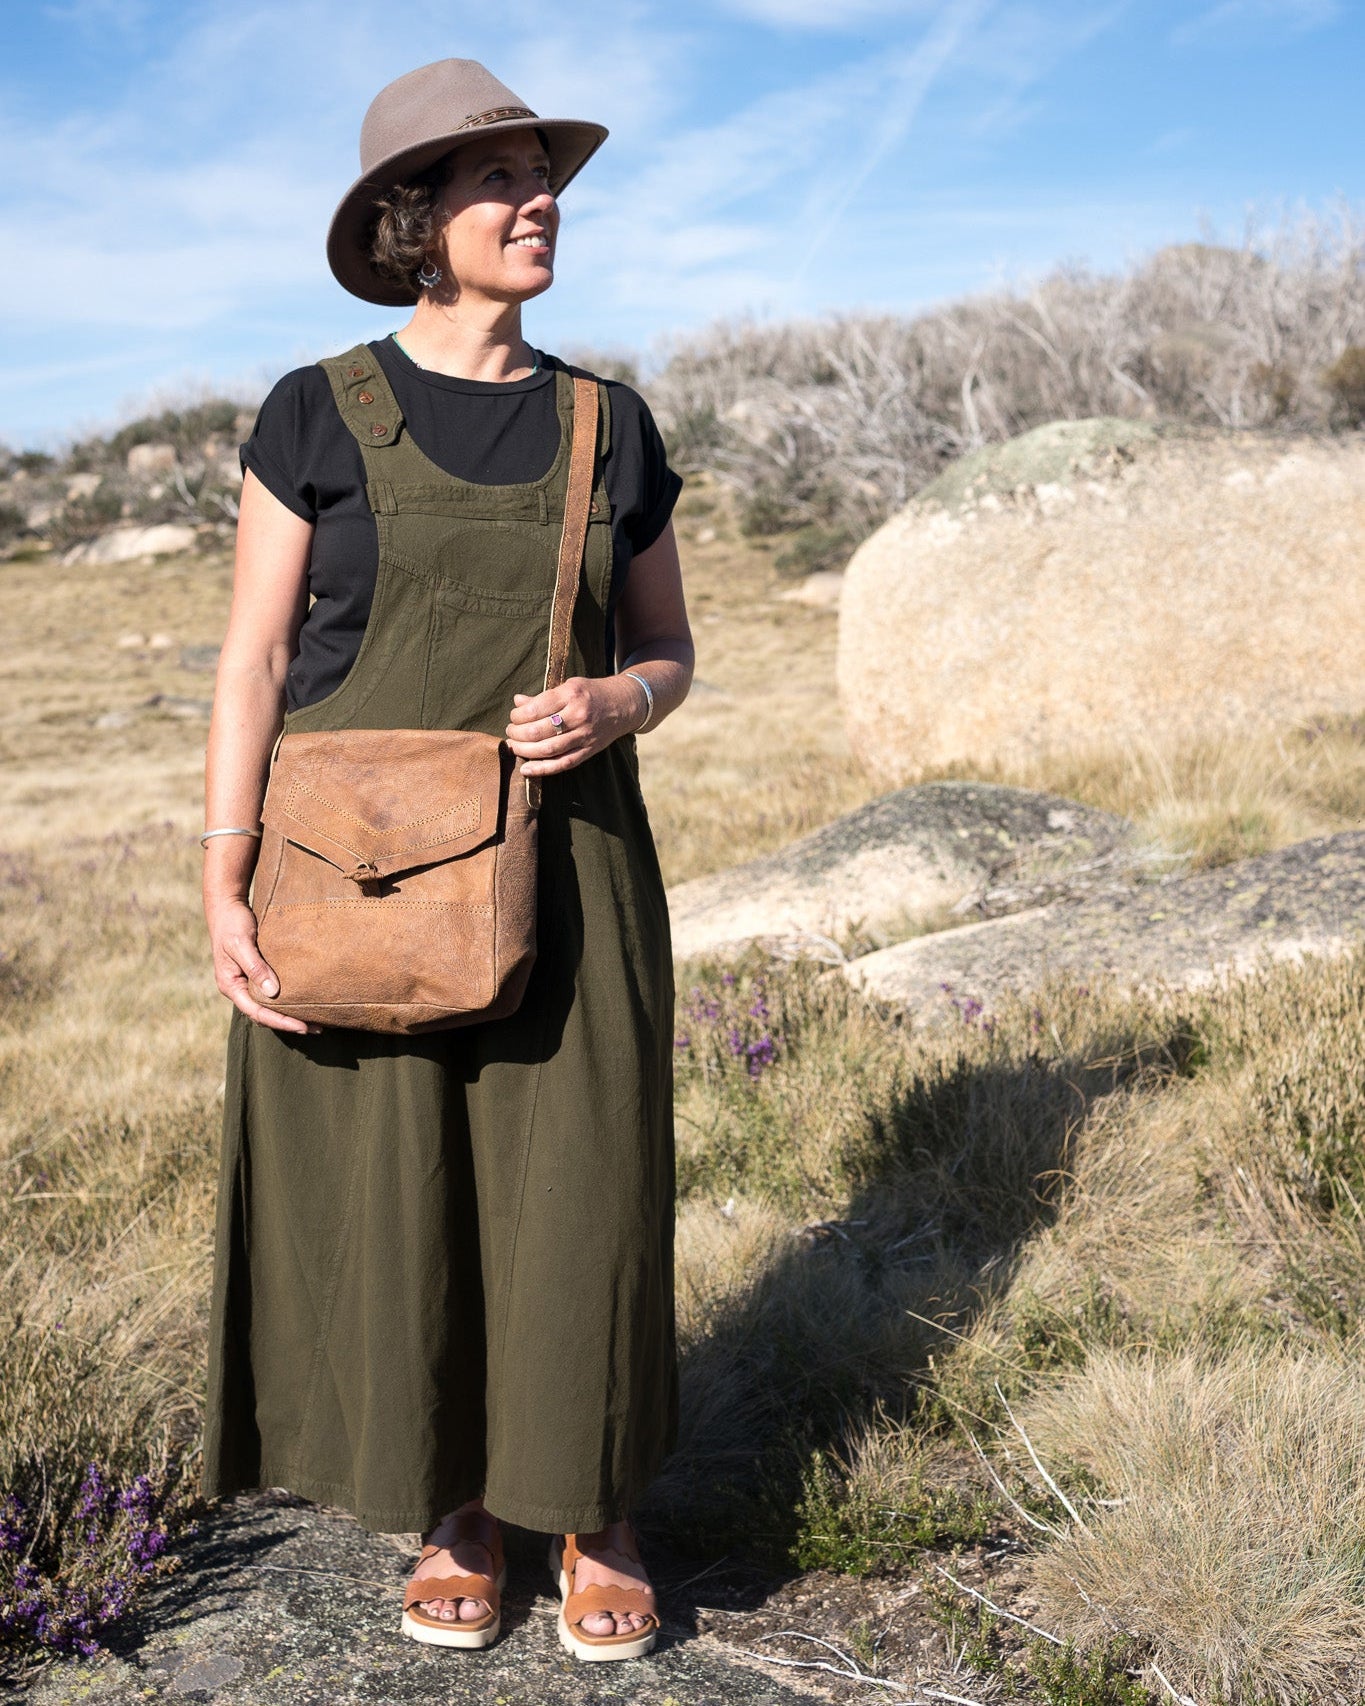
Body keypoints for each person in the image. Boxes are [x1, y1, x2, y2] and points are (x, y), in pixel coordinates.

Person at [198, 58, 692, 1663]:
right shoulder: (309, 411)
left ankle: (592, 1507)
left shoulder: (609, 423)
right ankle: (453, 1505)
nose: (537, 196)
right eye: (498, 178)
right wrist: (224, 864)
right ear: (416, 222)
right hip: (353, 869)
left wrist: (620, 695)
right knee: (396, 1187)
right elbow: (254, 660)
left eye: (544, 173)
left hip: (571, 860)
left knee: (582, 1188)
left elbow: (673, 648)